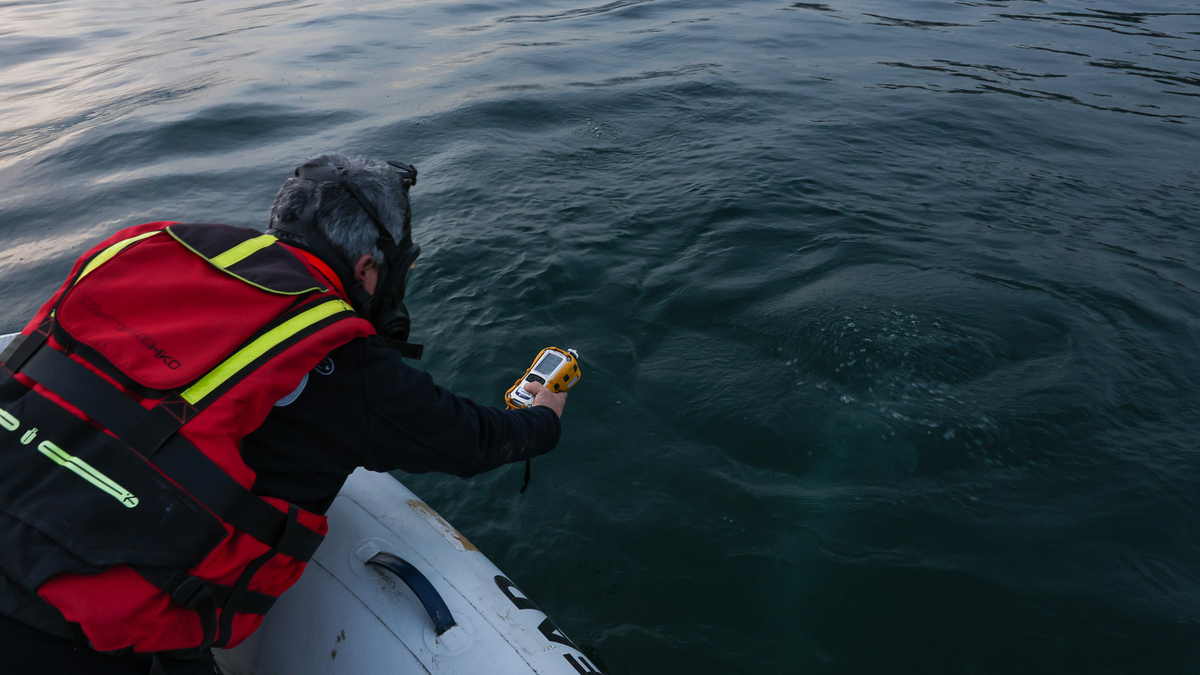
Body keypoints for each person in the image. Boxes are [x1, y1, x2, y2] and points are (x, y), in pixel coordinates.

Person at [0, 153, 567, 674]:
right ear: (367, 268)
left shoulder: (140, 248)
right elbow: (470, 440)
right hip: (78, 636)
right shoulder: (340, 357)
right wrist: (543, 416)